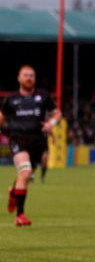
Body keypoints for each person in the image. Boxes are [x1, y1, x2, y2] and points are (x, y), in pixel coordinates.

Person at [0, 65, 62, 227]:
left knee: (26, 177)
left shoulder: (43, 96)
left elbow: (57, 113)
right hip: (18, 141)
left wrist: (51, 123)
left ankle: (14, 192)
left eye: (32, 76)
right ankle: (20, 216)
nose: (29, 78)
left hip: (37, 143)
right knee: (25, 172)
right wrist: (5, 131)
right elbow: (1, 118)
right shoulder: (11, 100)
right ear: (19, 78)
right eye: (25, 75)